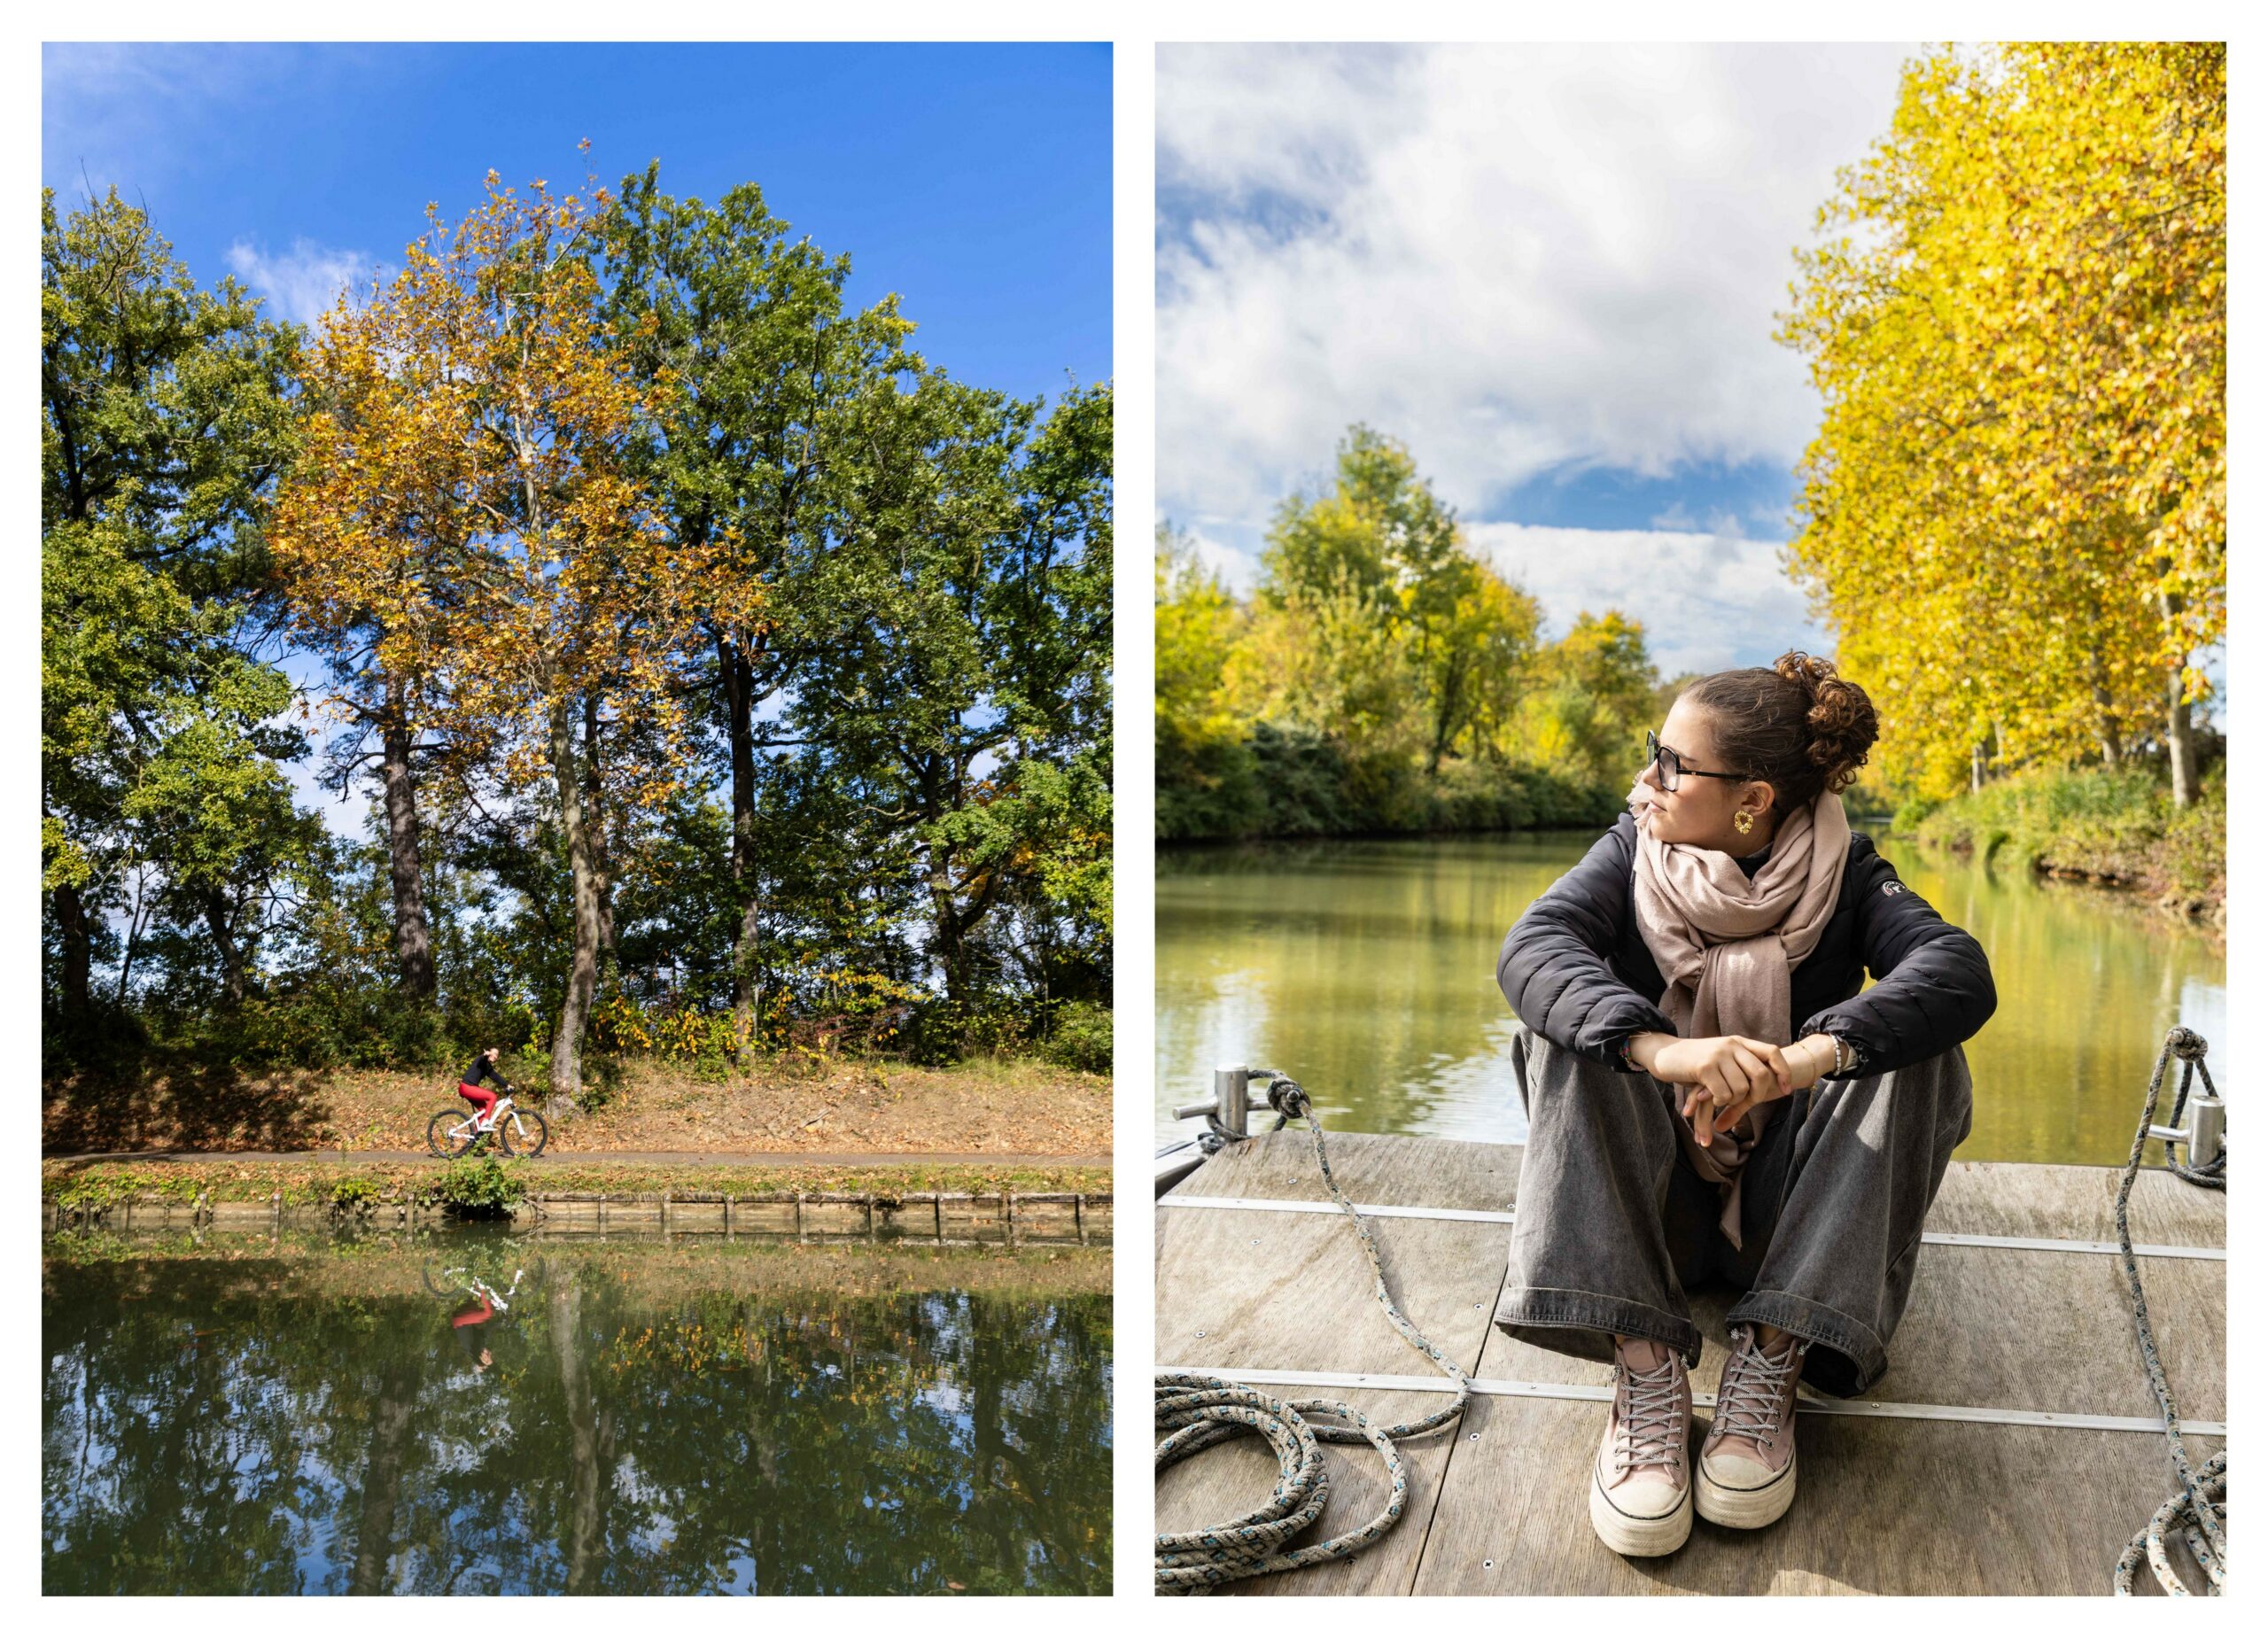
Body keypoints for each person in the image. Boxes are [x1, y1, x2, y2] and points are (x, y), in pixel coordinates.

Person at [1492, 651, 1994, 1557]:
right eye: (1656, 751)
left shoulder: (1850, 872)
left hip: (1793, 1225)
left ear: (1751, 801)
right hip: (1653, 1216)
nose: (1647, 777)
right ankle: (1644, 1366)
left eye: (1672, 763)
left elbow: (1955, 970)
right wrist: (1665, 1048)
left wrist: (1798, 1061)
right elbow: (1534, 946)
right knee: (1562, 1031)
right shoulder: (1629, 849)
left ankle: (1773, 1352)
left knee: (1919, 1052)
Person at [458, 1047, 514, 1130]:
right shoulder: (482, 1060)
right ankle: (485, 1122)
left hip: (469, 1088)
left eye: (497, 1055)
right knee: (493, 1097)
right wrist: (484, 1055)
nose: (495, 1056)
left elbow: (495, 1076)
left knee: (485, 1111)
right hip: (467, 1087)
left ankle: (475, 1136)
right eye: (494, 1053)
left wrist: (506, 1085)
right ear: (489, 1052)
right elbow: (482, 1060)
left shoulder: (487, 1066)